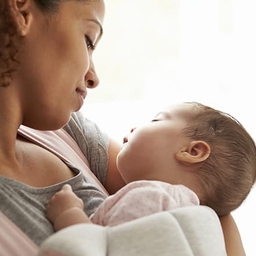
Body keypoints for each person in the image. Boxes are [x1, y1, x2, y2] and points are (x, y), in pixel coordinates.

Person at [0, 0, 247, 255]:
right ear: (20, 9)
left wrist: (70, 214)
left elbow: (208, 197)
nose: (93, 78)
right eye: (88, 39)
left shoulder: (64, 131)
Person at [46, 101, 256, 229]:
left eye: (156, 121)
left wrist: (69, 214)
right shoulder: (194, 218)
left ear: (192, 152)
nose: (136, 126)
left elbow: (98, 247)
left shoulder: (152, 200)